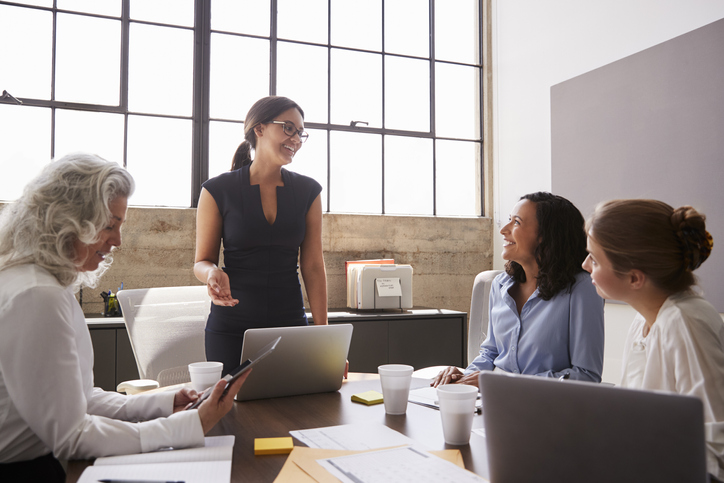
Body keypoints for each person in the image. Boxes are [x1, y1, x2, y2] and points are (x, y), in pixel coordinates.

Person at [0, 153, 248, 482]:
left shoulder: (39, 283)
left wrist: (163, 403)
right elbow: (72, 435)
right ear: (68, 220)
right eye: (109, 226)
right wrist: (186, 427)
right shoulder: (37, 296)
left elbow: (81, 398)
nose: (117, 241)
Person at [583, 199, 723, 481]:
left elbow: (715, 439)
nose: (585, 265)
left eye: (595, 260)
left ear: (635, 278)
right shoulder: (644, 320)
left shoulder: (684, 322)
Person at [195, 96, 328, 374]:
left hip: (290, 324)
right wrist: (211, 274)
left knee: (299, 413)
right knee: (230, 413)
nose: (296, 139)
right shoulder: (217, 190)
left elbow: (313, 266)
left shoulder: (309, 192)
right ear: (259, 129)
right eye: (288, 128)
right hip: (231, 328)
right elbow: (202, 261)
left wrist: (324, 337)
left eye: (300, 132)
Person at [433, 192, 605, 387]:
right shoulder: (500, 285)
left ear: (545, 235)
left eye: (517, 222)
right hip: (494, 400)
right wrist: (463, 377)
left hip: (547, 409)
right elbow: (490, 353)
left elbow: (586, 375)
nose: (504, 230)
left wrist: (503, 382)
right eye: (509, 220)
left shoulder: (582, 288)